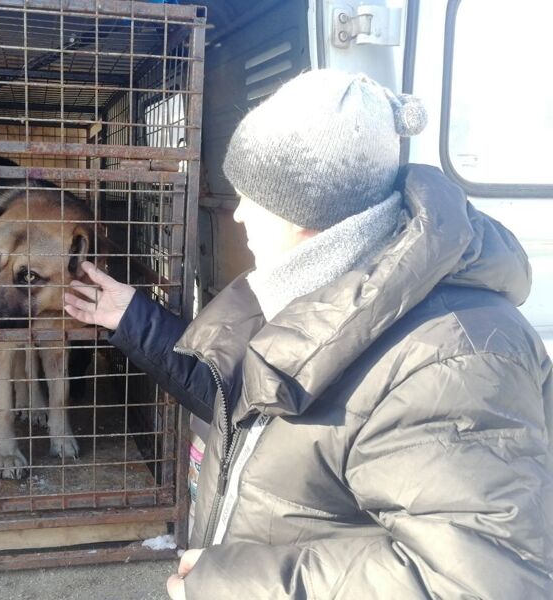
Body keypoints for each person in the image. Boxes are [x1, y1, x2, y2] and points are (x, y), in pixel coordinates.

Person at [64, 70, 553, 599]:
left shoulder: (453, 360)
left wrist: (236, 584)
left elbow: (483, 583)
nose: (239, 213)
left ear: (308, 216)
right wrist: (133, 317)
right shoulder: (314, 290)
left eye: (255, 198)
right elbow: (249, 407)